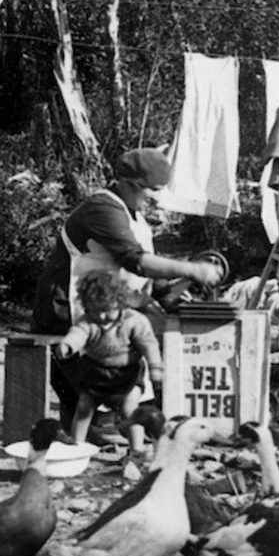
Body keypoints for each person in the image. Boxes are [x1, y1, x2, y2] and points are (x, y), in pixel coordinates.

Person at [31, 147, 225, 439]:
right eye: (151, 192)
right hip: (68, 308)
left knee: (141, 337)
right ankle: (102, 419)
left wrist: (177, 291)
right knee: (114, 352)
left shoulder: (135, 217)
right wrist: (192, 270)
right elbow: (134, 261)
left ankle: (116, 418)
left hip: (108, 307)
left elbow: (149, 281)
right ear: (130, 184)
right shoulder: (102, 208)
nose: (153, 200)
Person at [56, 270, 160, 459]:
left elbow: (149, 344)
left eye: (107, 310)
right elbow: (77, 334)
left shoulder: (134, 321)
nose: (102, 316)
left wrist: (156, 368)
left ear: (120, 302)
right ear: (87, 307)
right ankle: (76, 449)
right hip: (95, 373)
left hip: (127, 375)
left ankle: (137, 450)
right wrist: (68, 345)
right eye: (96, 311)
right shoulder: (87, 322)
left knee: (130, 411)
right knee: (83, 408)